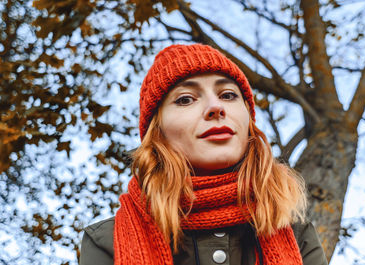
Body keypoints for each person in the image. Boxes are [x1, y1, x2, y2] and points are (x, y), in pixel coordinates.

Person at [80, 44, 328, 265]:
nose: (215, 107)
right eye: (186, 99)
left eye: (228, 95)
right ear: (158, 133)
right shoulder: (106, 241)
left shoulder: (297, 235)